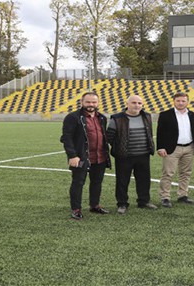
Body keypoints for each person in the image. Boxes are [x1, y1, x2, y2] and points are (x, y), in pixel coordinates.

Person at [60, 91, 110, 220]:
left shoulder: (102, 118)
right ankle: (76, 209)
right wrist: (72, 155)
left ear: (98, 103)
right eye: (88, 102)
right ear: (82, 102)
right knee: (78, 182)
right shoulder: (73, 117)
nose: (91, 104)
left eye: (94, 102)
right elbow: (66, 138)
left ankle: (94, 205)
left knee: (97, 182)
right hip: (81, 157)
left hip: (100, 156)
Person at [106, 95, 157, 214]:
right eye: (134, 102)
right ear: (127, 103)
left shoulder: (147, 116)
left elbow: (149, 134)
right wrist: (119, 148)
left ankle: (144, 201)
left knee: (144, 180)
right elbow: (109, 137)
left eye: (139, 103)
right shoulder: (117, 118)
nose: (137, 105)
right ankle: (122, 203)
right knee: (122, 181)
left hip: (143, 155)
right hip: (124, 156)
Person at [156, 92, 194, 207]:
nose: (181, 103)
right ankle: (165, 197)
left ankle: (182, 195)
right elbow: (160, 132)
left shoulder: (192, 115)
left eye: (183, 101)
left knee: (186, 173)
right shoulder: (165, 115)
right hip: (171, 149)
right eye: (178, 101)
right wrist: (160, 147)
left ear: (187, 102)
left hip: (189, 147)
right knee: (168, 173)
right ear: (174, 101)